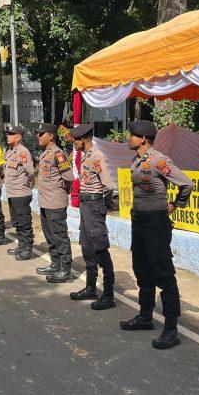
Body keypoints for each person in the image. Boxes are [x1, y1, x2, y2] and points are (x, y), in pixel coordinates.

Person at [120, 120, 193, 350]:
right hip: (139, 221)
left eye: (132, 135)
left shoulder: (158, 160)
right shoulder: (136, 160)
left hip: (155, 224)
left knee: (163, 274)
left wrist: (174, 205)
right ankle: (145, 316)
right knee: (141, 270)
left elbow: (186, 184)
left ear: (143, 139)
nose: (128, 138)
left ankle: (171, 329)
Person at [68, 123, 117, 310]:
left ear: (84, 139)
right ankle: (90, 287)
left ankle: (109, 294)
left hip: (95, 205)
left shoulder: (97, 157)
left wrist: (105, 204)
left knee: (100, 249)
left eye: (75, 139)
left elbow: (108, 185)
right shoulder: (85, 156)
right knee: (87, 247)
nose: (73, 142)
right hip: (85, 205)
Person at [34, 123, 75, 283]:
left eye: (41, 134)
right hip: (45, 202)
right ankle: (55, 263)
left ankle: (65, 270)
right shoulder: (46, 153)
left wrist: (59, 191)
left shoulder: (58, 154)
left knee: (59, 236)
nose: (38, 136)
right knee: (49, 235)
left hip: (55, 202)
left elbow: (69, 177)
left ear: (50, 136)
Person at [2, 124, 36, 260]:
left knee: (24, 222)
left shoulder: (23, 152)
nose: (8, 136)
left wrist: (26, 187)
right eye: (8, 134)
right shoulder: (10, 152)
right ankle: (21, 246)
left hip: (21, 193)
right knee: (16, 222)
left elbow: (31, 172)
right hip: (12, 193)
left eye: (11, 134)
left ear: (19, 137)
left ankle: (27, 249)